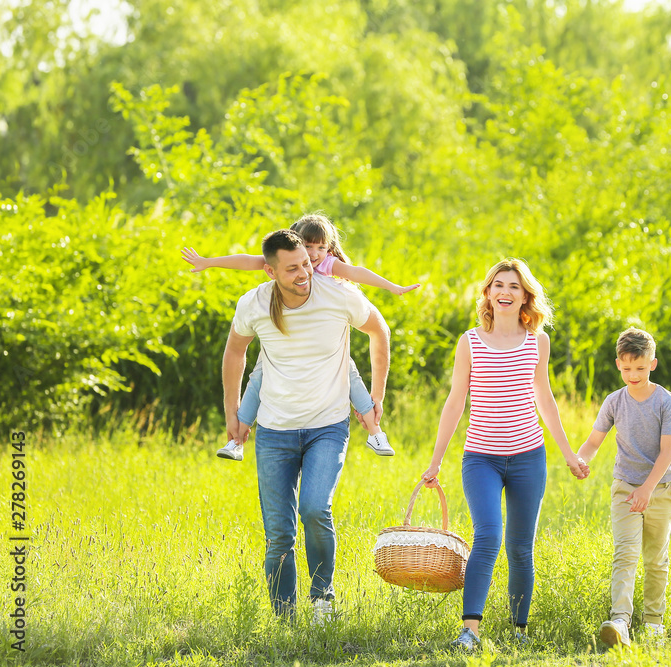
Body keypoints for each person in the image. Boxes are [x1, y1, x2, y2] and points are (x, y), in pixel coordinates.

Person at [420, 258, 588, 650]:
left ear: (525, 295)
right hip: (481, 458)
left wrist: (567, 454)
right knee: (488, 537)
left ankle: (518, 631)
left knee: (520, 546)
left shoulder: (537, 341)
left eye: (514, 286)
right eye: (498, 285)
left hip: (529, 457)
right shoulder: (470, 341)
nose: (505, 292)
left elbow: (545, 400)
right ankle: (470, 631)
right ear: (488, 294)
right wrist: (435, 461)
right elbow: (455, 402)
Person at [222, 228, 390, 619]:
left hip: (327, 427)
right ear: (270, 272)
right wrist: (232, 410)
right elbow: (235, 351)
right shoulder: (255, 304)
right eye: (293, 269)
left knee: (316, 508)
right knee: (279, 533)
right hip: (275, 431)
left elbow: (379, 330)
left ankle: (322, 598)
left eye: (306, 264)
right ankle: (284, 617)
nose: (305, 273)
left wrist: (377, 393)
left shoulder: (338, 294)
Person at [183, 214, 417, 459]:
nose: (314, 255)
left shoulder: (329, 267)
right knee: (258, 380)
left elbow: (357, 273)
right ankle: (236, 441)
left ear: (329, 248)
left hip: (324, 342)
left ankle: (375, 432)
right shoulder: (280, 267)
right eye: (307, 246)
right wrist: (208, 262)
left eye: (321, 247)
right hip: (285, 348)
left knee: (351, 376)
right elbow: (247, 261)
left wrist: (393, 287)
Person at [576, 327, 671, 648]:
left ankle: (653, 623)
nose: (633, 375)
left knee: (655, 559)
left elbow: (667, 453)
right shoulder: (614, 401)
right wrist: (580, 458)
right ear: (618, 364)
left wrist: (647, 489)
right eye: (626, 368)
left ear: (653, 364)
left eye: (640, 367)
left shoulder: (665, 402)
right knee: (625, 554)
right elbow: (594, 441)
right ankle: (620, 619)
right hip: (624, 488)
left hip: (659, 490)